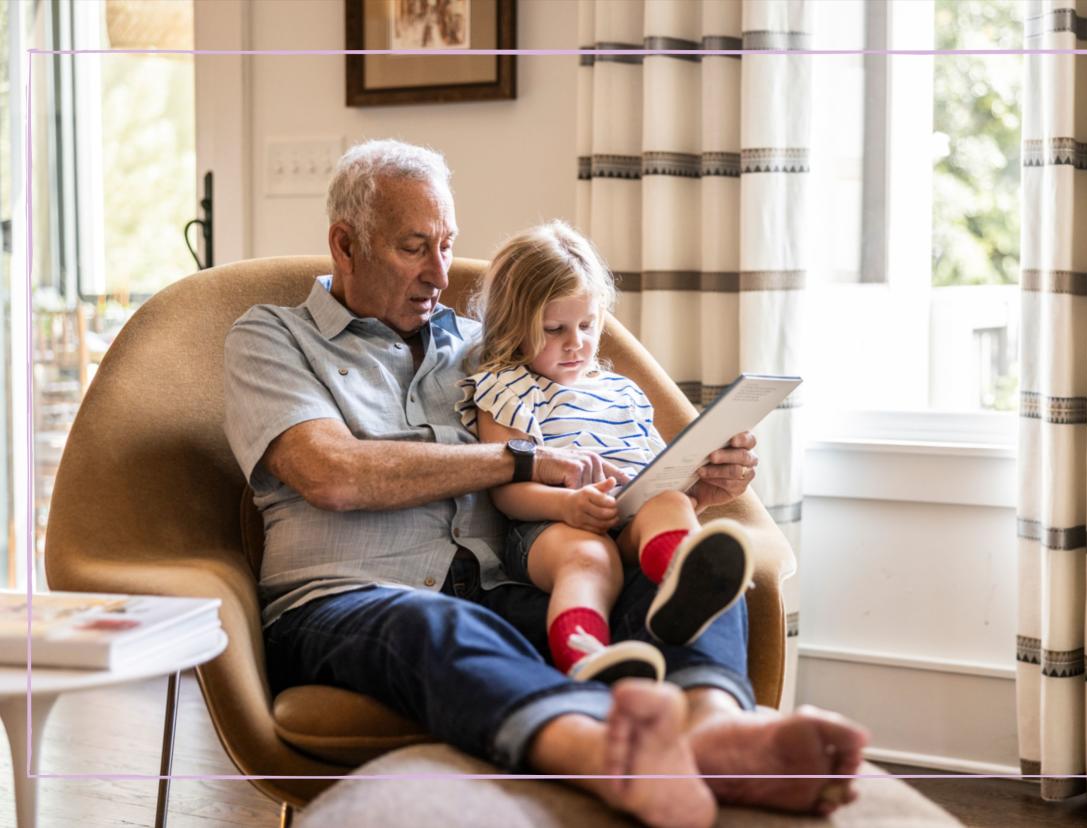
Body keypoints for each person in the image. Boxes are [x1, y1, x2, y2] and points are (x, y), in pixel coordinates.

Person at [223, 139, 868, 828]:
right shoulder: (271, 339)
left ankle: (716, 730)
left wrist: (681, 485)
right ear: (345, 245)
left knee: (682, 567)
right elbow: (332, 473)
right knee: (438, 624)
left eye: (447, 244)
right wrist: (518, 461)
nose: (439, 272)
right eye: (415, 247)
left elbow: (590, 445)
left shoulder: (483, 346)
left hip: (511, 593)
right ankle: (609, 758)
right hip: (349, 604)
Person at [455, 220, 755, 685]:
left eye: (587, 325)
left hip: (630, 517)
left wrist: (697, 484)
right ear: (514, 327)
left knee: (671, 502)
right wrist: (567, 505)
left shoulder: (625, 393)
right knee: (590, 558)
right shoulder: (507, 387)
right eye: (554, 329)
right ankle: (583, 655)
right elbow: (505, 491)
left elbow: (657, 474)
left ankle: (687, 587)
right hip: (548, 528)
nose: (575, 343)